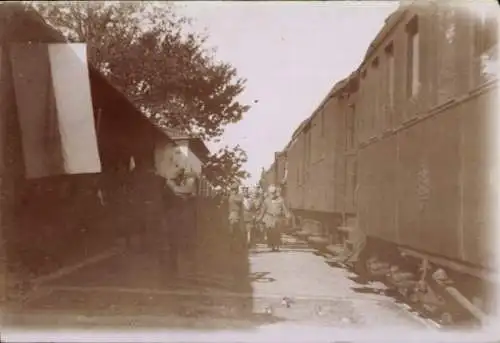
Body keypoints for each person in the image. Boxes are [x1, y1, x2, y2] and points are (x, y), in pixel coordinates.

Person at [256, 184, 291, 251]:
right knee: (270, 232)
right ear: (269, 193)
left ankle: (277, 246)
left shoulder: (280, 200)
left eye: (274, 192)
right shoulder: (266, 200)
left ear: (275, 192)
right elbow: (263, 211)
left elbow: (284, 209)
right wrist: (259, 218)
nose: (272, 194)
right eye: (271, 193)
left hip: (277, 218)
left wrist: (287, 215)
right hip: (269, 218)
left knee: (277, 233)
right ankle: (272, 246)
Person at [227, 182, 244, 252]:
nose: (235, 191)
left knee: (233, 232)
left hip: (233, 215)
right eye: (234, 189)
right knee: (235, 232)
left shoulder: (231, 196)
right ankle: (234, 247)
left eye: (235, 189)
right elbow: (240, 201)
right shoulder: (234, 197)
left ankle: (232, 247)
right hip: (235, 215)